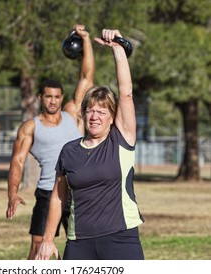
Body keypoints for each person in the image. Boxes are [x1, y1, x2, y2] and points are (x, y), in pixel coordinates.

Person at [35, 28, 145, 260]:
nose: (94, 116)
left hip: (121, 238)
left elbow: (125, 93)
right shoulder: (70, 150)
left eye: (102, 112)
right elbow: (57, 196)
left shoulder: (120, 140)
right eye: (90, 111)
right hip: (79, 241)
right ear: (83, 115)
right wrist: (47, 239)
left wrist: (118, 49)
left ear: (112, 116)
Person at [6, 24, 95, 260]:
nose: (53, 101)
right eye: (48, 96)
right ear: (40, 97)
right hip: (48, 191)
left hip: (78, 189)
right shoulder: (30, 127)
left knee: (84, 243)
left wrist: (85, 39)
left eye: (57, 96)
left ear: (62, 98)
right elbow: (17, 161)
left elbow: (87, 77)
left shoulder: (72, 114)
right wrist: (12, 194)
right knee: (38, 247)